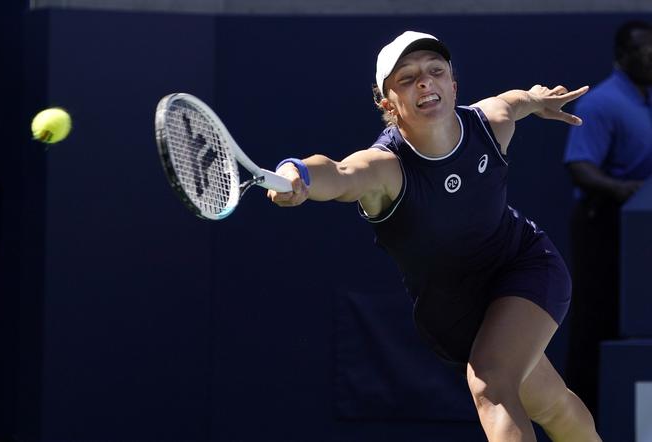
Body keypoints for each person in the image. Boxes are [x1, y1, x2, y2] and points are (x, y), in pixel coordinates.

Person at [269, 31, 600, 441]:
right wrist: (296, 174)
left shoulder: (489, 124)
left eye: (435, 71)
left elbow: (515, 102)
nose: (424, 82)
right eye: (406, 78)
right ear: (388, 104)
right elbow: (336, 172)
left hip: (524, 267)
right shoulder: (385, 168)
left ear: (452, 86)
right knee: (550, 402)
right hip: (453, 314)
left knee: (492, 383)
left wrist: (537, 99)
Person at [563, 20, 652, 421]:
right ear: (622, 56)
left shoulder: (644, 99)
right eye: (646, 51)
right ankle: (582, 418)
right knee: (595, 320)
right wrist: (624, 190)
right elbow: (580, 166)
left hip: (640, 230)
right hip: (605, 226)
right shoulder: (600, 102)